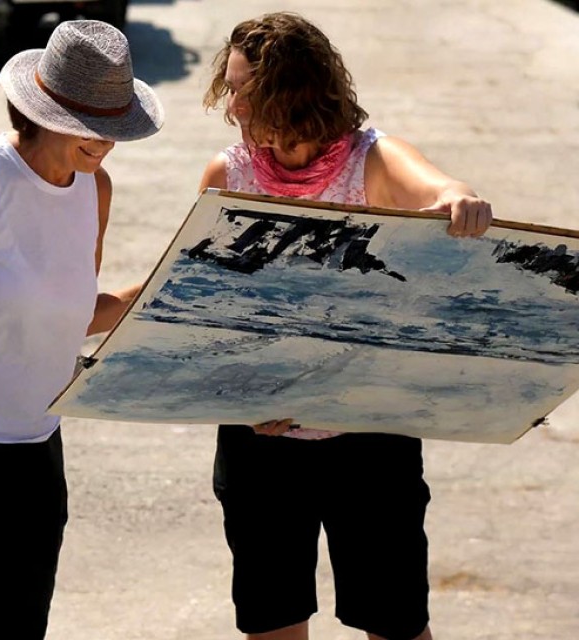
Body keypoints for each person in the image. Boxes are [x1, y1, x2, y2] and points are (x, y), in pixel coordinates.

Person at [199, 12, 492, 640]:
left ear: (294, 89)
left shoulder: (371, 160)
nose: (234, 106)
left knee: (396, 623)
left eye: (245, 90)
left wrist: (459, 200)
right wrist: (238, 393)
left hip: (371, 432)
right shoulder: (228, 174)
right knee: (272, 622)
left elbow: (435, 187)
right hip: (261, 436)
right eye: (231, 88)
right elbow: (208, 309)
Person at [0, 19, 163, 640]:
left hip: (36, 454)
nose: (105, 143)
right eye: (92, 126)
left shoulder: (95, 189)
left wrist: (157, 293)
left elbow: (69, 314)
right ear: (41, 111)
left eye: (113, 128)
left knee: (19, 625)